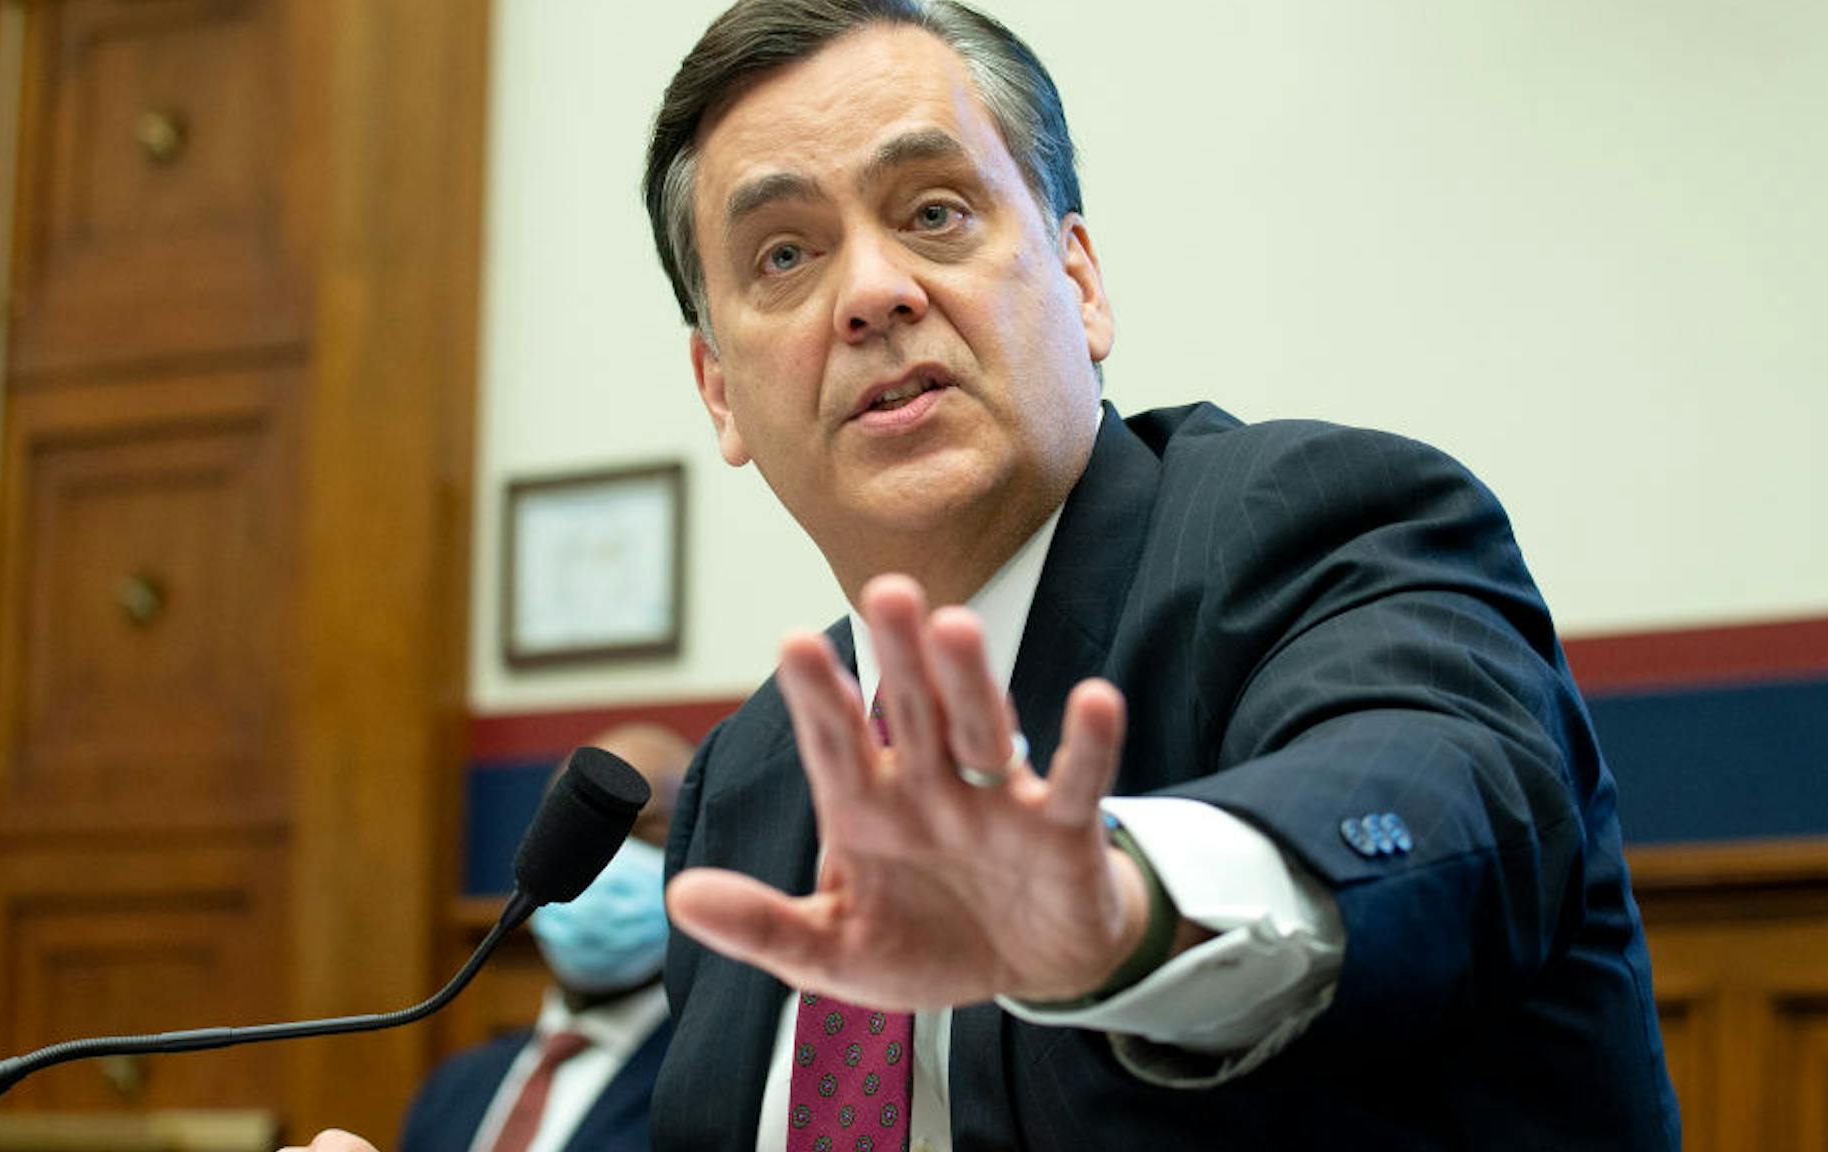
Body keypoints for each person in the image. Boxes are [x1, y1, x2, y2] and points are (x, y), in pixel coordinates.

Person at [290, 1, 1679, 1149]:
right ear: (720, 391)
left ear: (1078, 280)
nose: (873, 291)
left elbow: (1434, 796)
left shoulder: (1318, 528)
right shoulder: (752, 785)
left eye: (937, 212)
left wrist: (1122, 908)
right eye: (785, 254)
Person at [400, 724, 693, 1152]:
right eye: (580, 832)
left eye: (648, 832)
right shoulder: (451, 1088)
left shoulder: (712, 1092)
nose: (607, 861)